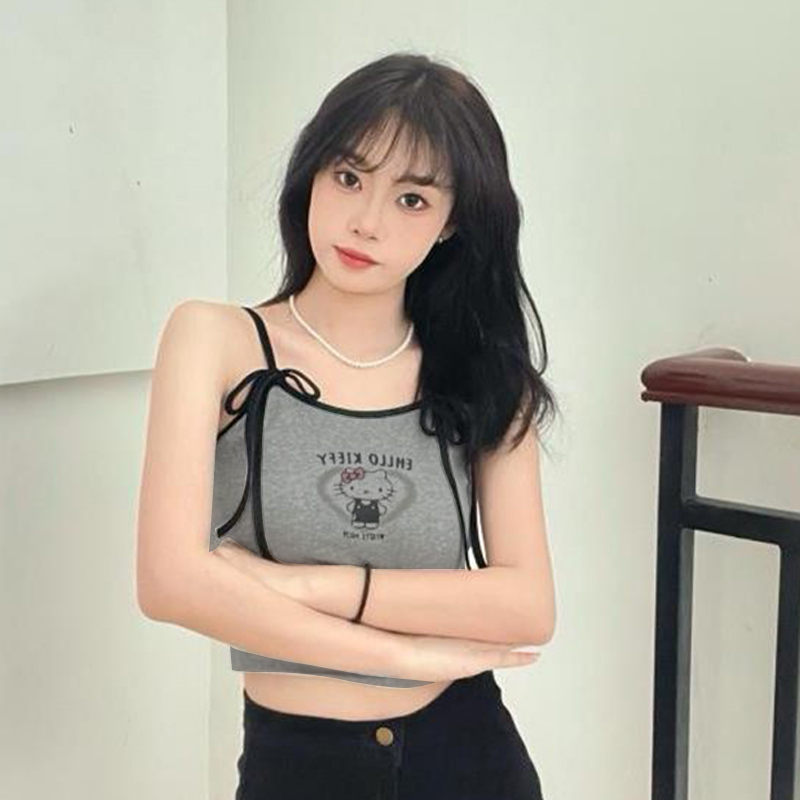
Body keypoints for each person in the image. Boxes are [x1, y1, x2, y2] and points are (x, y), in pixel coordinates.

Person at [136, 50, 560, 799]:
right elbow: (169, 583)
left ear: (453, 224)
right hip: (297, 765)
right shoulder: (216, 340)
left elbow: (526, 605)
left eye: (412, 199)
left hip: (467, 754)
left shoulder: (481, 372)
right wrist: (402, 656)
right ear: (311, 174)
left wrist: (299, 585)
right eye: (349, 177)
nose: (366, 221)